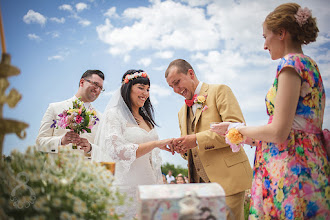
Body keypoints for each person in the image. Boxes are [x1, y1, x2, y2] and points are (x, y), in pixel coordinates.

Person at [211, 3, 329, 219]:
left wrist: (237, 129)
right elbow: (295, 128)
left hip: (290, 168)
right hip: (312, 162)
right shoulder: (311, 65)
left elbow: (278, 133)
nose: (264, 44)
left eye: (265, 36)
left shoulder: (291, 64)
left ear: (282, 33)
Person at [165, 59, 252, 220]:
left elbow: (237, 131)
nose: (176, 90)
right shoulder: (180, 112)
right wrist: (183, 149)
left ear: (190, 73)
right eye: (172, 87)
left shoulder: (220, 91)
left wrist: (196, 139)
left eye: (177, 83)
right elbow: (192, 150)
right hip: (199, 188)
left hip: (228, 182)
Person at [92, 69, 173, 219]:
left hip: (150, 187)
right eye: (141, 88)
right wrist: (155, 143)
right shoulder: (114, 114)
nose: (145, 93)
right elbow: (116, 150)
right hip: (126, 188)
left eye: (148, 89)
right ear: (127, 88)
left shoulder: (147, 119)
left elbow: (152, 158)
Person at [36, 70, 104, 157]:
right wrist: (61, 141)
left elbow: (104, 151)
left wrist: (91, 148)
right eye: (95, 84)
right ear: (82, 82)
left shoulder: (101, 118)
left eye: (101, 88)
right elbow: (39, 143)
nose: (97, 89)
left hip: (86, 169)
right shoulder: (54, 108)